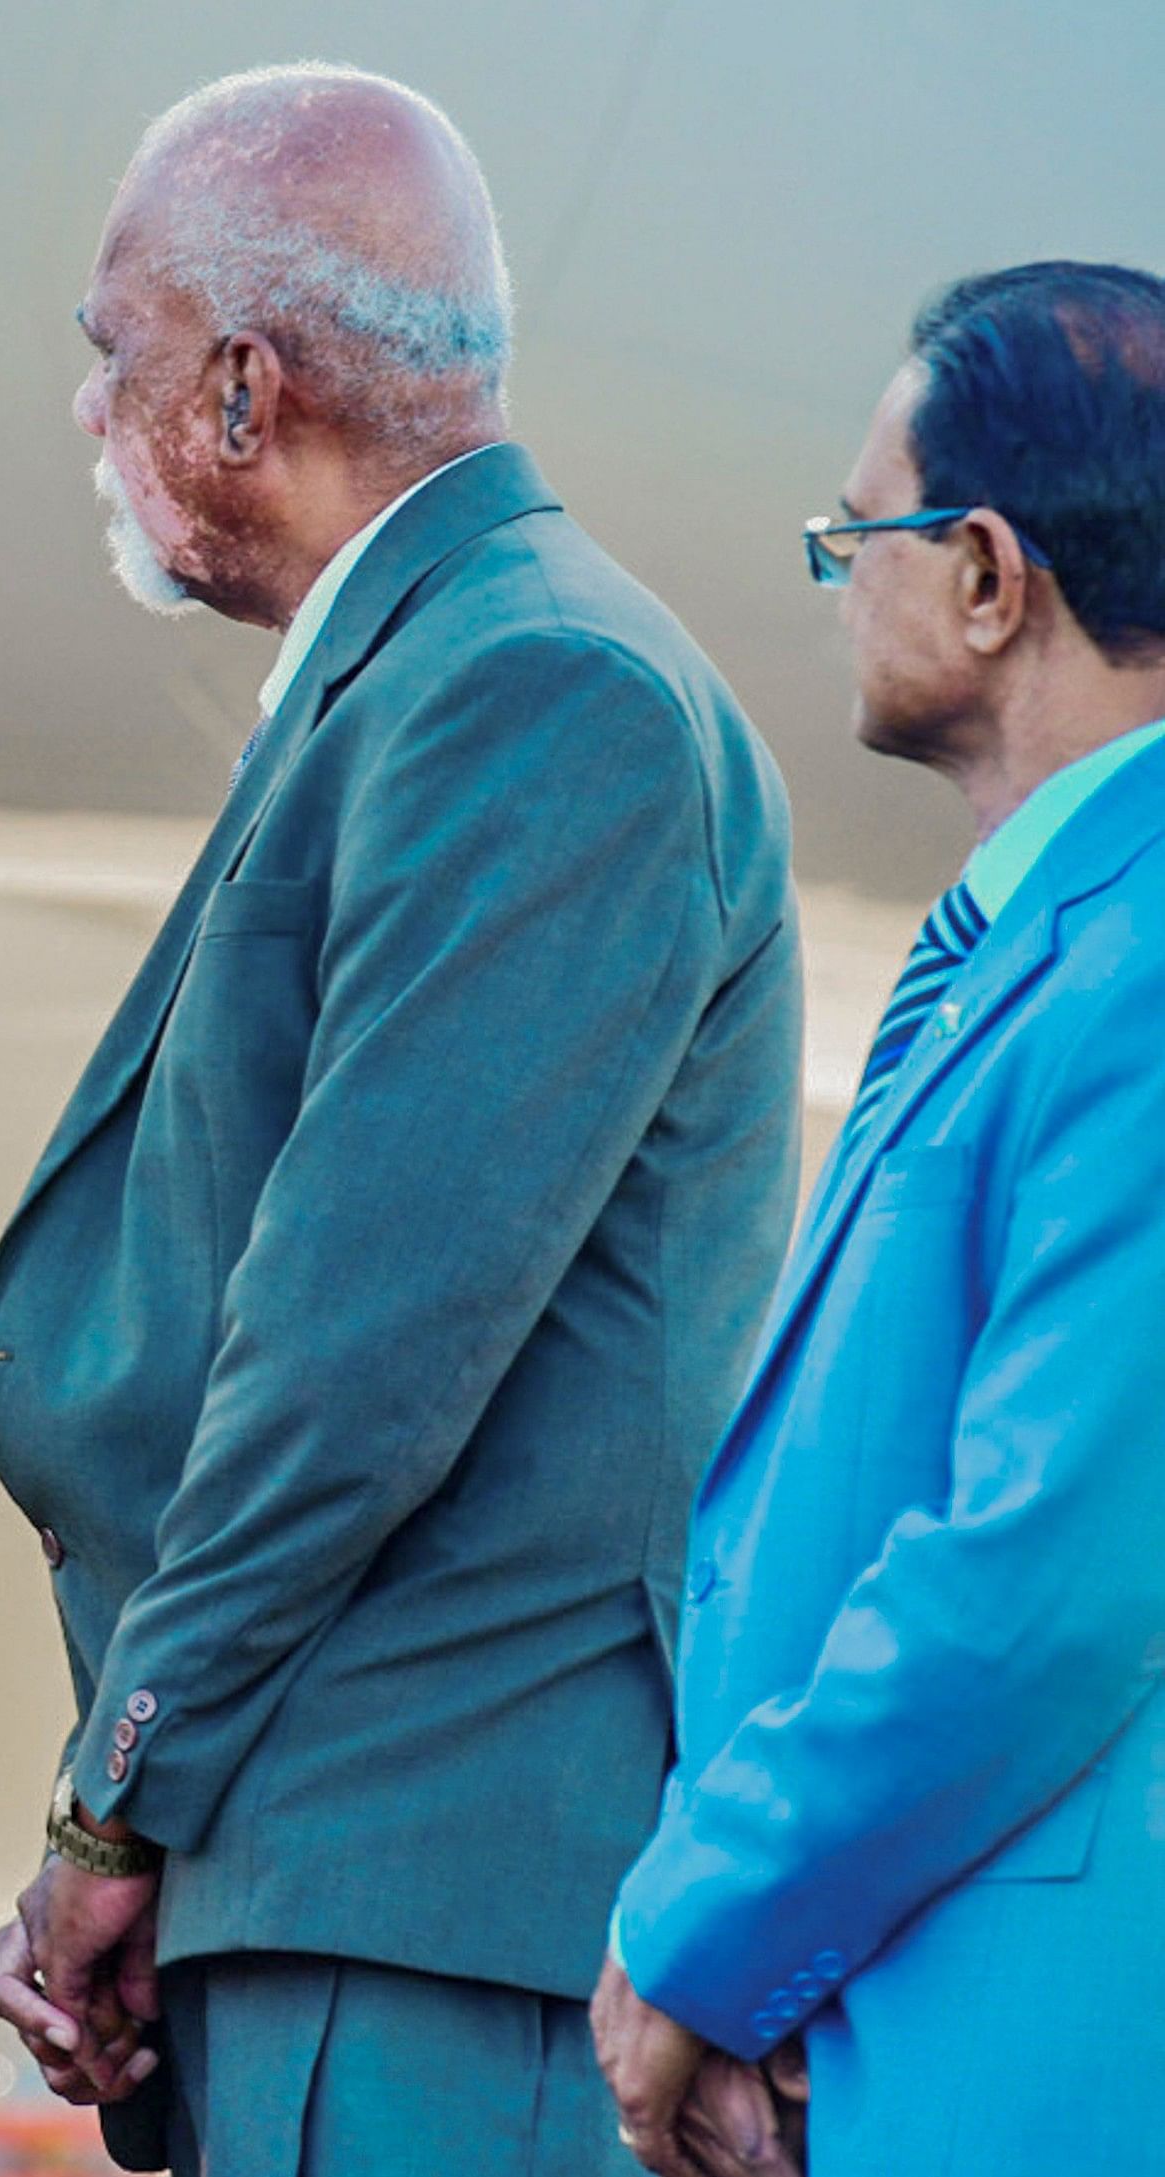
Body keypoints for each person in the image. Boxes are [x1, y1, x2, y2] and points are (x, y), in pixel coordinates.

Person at [0, 66, 801, 2176]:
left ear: (242, 391)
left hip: (441, 1928)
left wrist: (111, 1801)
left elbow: (349, 1361)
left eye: (114, 357)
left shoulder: (539, 692)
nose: (88, 415)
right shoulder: (444, 675)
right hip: (349, 1900)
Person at [594, 261, 1165, 2177]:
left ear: (992, 577)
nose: (842, 573)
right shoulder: (1050, 947)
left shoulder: (1145, 965)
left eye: (865, 532)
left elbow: (1036, 1570)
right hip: (914, 2041)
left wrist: (703, 1934)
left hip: (1047, 2069)